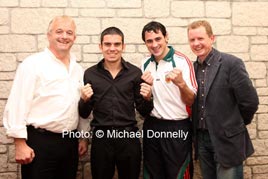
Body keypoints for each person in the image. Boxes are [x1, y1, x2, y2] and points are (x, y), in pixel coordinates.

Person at [3, 15, 87, 179]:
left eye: (69, 33)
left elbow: (80, 105)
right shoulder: (33, 64)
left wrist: (83, 136)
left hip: (69, 144)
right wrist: (20, 144)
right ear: (49, 35)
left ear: (74, 38)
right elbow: (18, 103)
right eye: (59, 31)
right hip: (40, 143)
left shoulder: (78, 69)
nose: (64, 36)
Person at [78, 26, 154, 179]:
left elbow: (144, 112)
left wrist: (147, 98)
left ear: (123, 46)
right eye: (107, 44)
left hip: (128, 138)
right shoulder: (90, 74)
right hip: (101, 139)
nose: (112, 48)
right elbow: (84, 113)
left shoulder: (134, 73)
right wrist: (84, 100)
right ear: (101, 46)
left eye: (117, 44)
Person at [187, 20, 259, 179]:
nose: (196, 43)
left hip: (228, 140)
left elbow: (250, 101)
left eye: (200, 38)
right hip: (202, 141)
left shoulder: (231, 63)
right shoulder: (191, 69)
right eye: (192, 40)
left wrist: (234, 125)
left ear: (212, 38)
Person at [140, 21, 198, 179]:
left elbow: (191, 100)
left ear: (166, 37)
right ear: (145, 43)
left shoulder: (182, 61)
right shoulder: (145, 63)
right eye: (149, 41)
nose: (154, 44)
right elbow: (146, 100)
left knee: (178, 174)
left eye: (158, 39)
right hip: (152, 125)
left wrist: (181, 84)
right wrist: (146, 96)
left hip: (177, 127)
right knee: (152, 174)